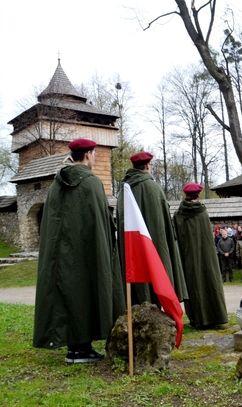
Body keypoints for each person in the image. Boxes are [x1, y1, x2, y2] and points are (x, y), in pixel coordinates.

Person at [33, 138, 125, 363]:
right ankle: (81, 350)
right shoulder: (91, 183)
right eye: (94, 154)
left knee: (70, 293)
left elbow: (51, 222)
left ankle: (76, 348)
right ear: (88, 155)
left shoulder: (56, 184)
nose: (94, 158)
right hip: (87, 251)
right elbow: (101, 221)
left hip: (61, 253)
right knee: (86, 291)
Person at [117, 151, 188, 306]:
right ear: (148, 166)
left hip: (133, 246)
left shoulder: (124, 190)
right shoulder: (153, 187)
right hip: (153, 244)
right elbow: (161, 226)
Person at [172, 182, 228, 329]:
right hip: (206, 257)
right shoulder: (202, 212)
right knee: (209, 281)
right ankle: (216, 318)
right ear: (198, 195)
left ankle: (197, 320)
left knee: (193, 284)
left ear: (186, 195)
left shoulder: (179, 215)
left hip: (188, 258)